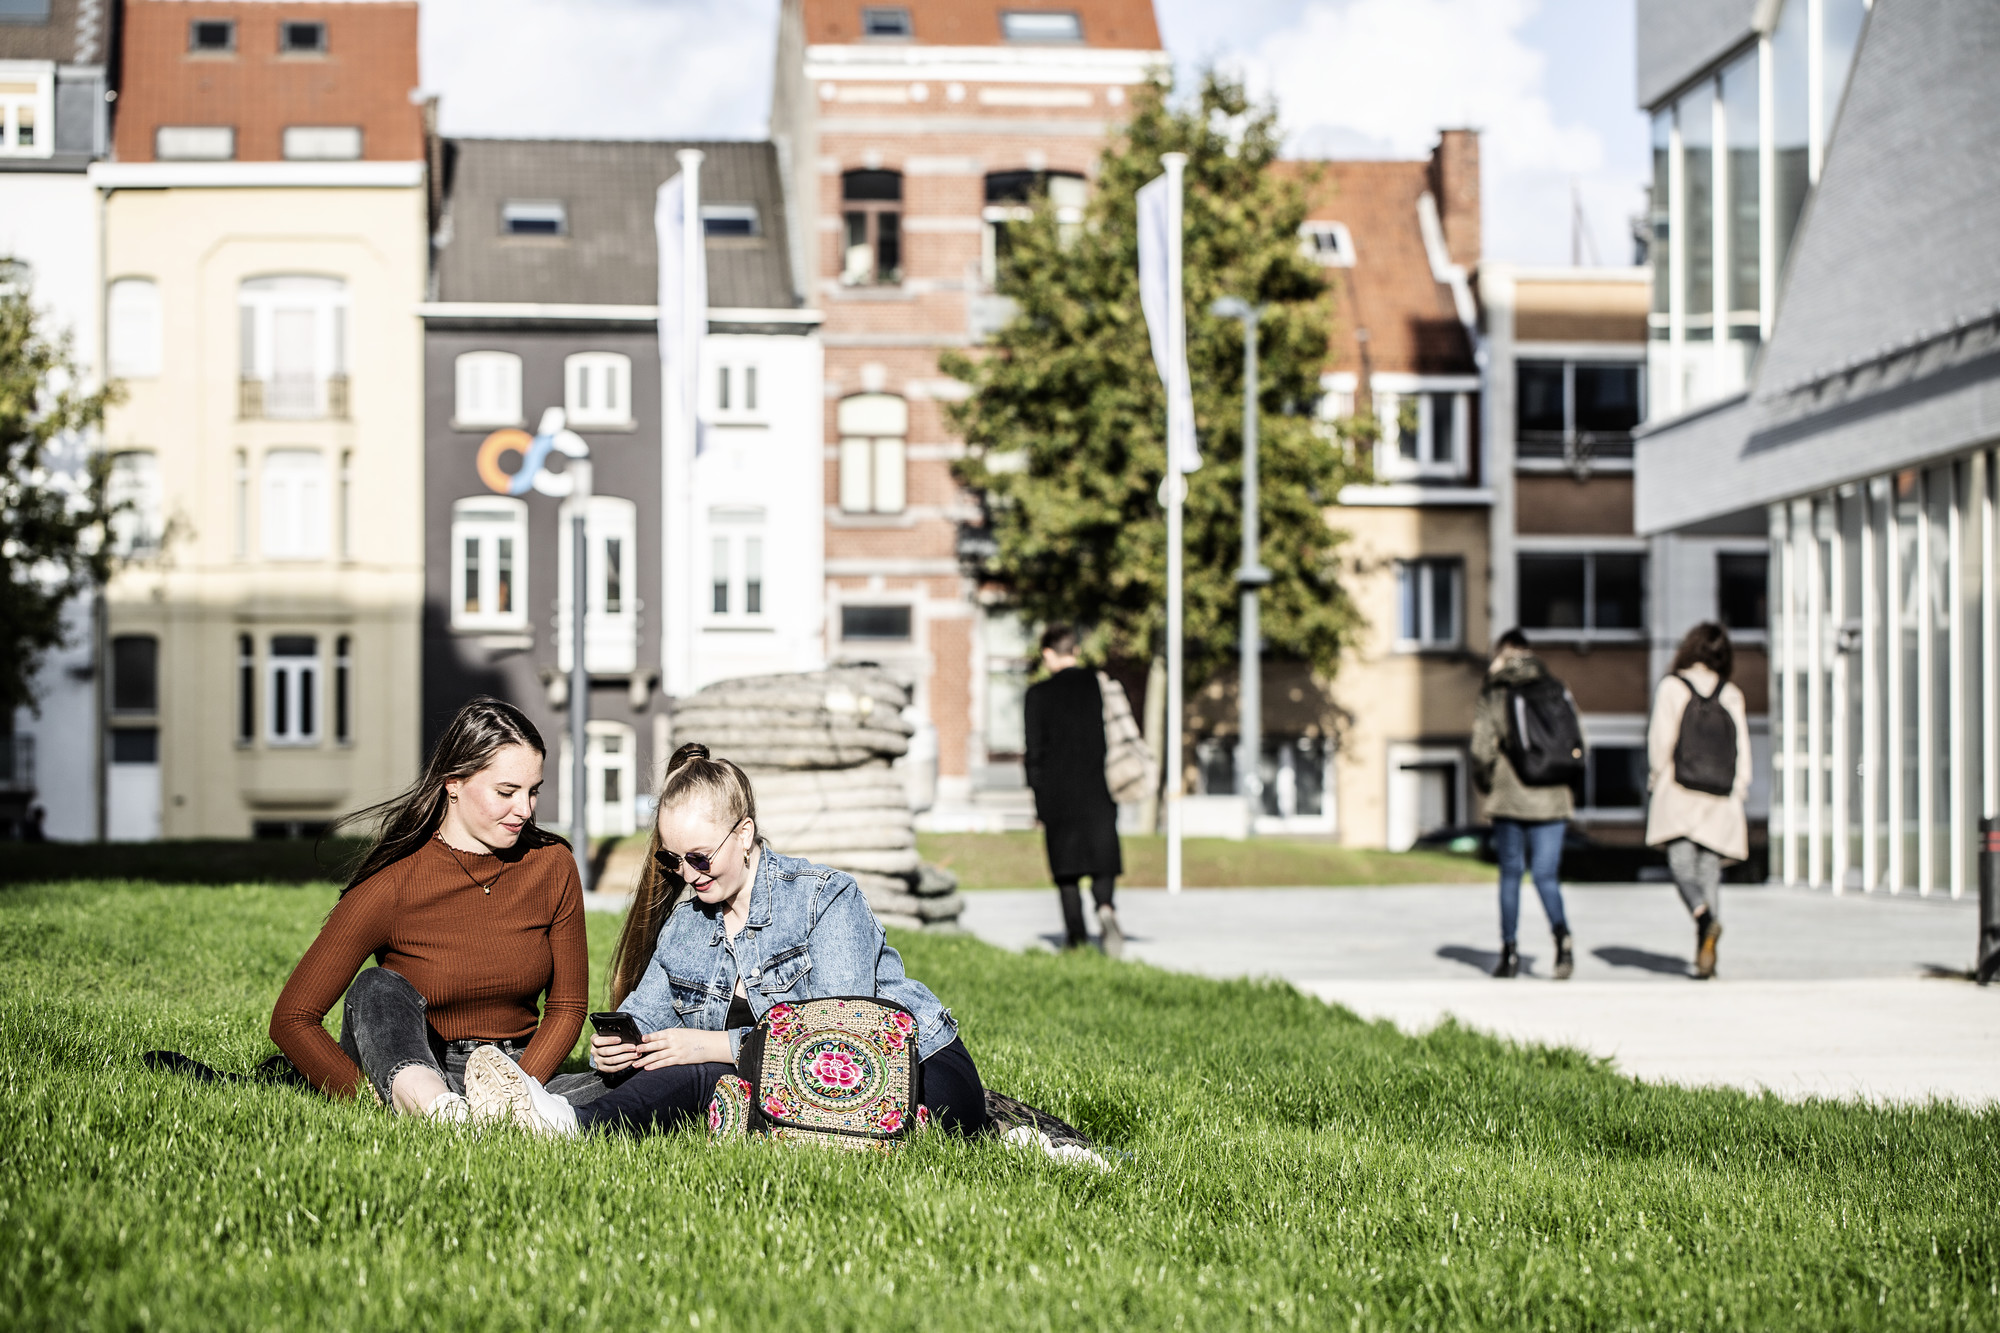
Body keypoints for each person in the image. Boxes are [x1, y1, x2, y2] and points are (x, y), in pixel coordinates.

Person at [465, 743, 994, 1140]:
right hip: (771, 1082)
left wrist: (715, 1046)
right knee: (692, 1073)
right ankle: (565, 1124)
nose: (687, 874)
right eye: (672, 860)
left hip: (911, 1070)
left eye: (699, 856)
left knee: (705, 1067)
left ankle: (554, 1117)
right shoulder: (687, 922)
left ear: (743, 835)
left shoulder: (825, 898)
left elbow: (844, 1038)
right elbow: (646, 1014)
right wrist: (621, 1046)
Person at [266, 697, 586, 1121]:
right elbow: (293, 1018)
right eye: (506, 792)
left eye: (533, 792)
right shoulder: (395, 883)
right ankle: (436, 1110)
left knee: (657, 1080)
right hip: (417, 1069)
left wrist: (516, 1094)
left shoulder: (552, 864)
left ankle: (490, 1116)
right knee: (375, 987)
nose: (525, 809)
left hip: (521, 1070)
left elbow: (568, 1006)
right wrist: (364, 1097)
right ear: (454, 782)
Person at [1645, 622, 1753, 980]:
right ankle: (1707, 951)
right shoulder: (1731, 693)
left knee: (1680, 867)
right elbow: (1743, 748)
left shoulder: (1673, 687)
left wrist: (1656, 775)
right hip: (1719, 795)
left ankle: (1703, 919)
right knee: (1709, 872)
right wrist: (1740, 788)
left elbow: (1662, 740)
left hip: (1680, 789)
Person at [1470, 629, 1577, 980]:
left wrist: (1486, 784)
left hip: (1510, 798)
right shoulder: (1556, 687)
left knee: (1511, 876)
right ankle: (1562, 940)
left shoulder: (1496, 692)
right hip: (1553, 798)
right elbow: (1577, 742)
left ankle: (1510, 953)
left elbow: (1481, 749)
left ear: (1502, 654)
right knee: (1546, 876)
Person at [1022, 624, 1125, 956]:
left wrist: (1038, 800)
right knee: (1102, 859)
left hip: (1058, 793)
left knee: (1066, 870)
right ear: (1076, 651)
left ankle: (1076, 937)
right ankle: (1106, 906)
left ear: (1048, 654)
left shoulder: (1037, 695)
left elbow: (1034, 752)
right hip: (1098, 786)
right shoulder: (1097, 685)